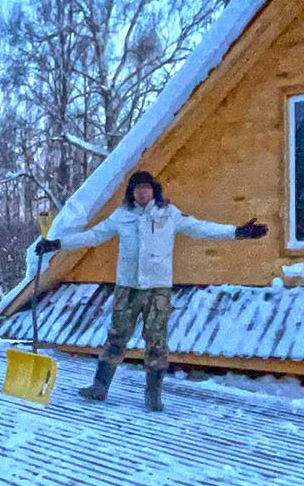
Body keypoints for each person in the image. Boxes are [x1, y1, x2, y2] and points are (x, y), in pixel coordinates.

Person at [35, 170, 267, 411]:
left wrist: (237, 233)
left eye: (146, 188)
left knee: (156, 341)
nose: (142, 192)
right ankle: (99, 387)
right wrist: (57, 244)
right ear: (131, 192)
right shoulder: (121, 216)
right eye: (137, 189)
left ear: (154, 190)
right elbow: (94, 236)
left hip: (158, 289)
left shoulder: (169, 214)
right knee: (117, 337)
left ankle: (153, 396)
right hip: (127, 288)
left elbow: (201, 228)